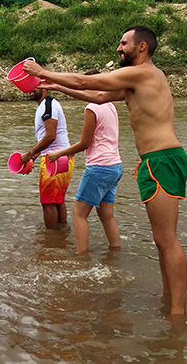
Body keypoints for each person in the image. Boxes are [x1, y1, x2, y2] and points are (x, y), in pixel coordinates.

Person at [23, 25, 187, 317]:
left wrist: (42, 72)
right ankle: (168, 302)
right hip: (154, 161)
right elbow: (99, 96)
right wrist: (59, 88)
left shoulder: (142, 73)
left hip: (162, 159)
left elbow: (84, 81)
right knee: (161, 240)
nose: (118, 48)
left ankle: (178, 315)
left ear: (141, 47)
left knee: (167, 240)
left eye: (124, 43)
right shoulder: (139, 80)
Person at [45, 70, 123, 255]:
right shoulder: (110, 105)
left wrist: (59, 154)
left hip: (100, 167)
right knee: (106, 215)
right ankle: (115, 254)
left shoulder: (92, 107)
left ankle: (82, 258)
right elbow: (100, 138)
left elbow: (84, 143)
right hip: (115, 166)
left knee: (79, 213)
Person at [17, 83, 73, 229]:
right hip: (61, 157)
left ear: (44, 88)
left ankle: (50, 238)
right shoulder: (43, 106)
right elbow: (45, 138)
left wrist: (30, 153)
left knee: (48, 202)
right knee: (58, 200)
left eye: (35, 86)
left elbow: (50, 136)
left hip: (54, 158)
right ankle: (61, 233)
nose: (30, 90)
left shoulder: (49, 105)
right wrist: (33, 157)